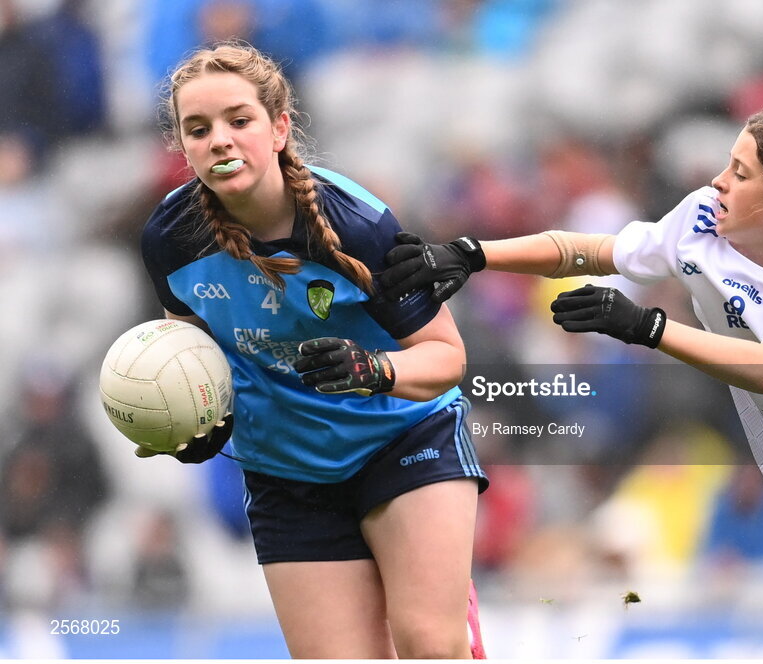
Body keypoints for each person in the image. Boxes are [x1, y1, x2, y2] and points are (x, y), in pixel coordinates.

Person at [380, 97, 763, 659]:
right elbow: (589, 251)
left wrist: (648, 327)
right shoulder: (700, 220)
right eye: (728, 163)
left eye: (740, 174)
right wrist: (472, 253)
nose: (720, 180)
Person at [138, 42, 488, 659]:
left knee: (430, 644)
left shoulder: (355, 224)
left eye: (238, 121)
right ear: (184, 146)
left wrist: (375, 370)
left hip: (404, 440)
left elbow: (446, 358)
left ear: (279, 129)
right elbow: (191, 356)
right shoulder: (170, 238)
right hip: (286, 472)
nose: (220, 140)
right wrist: (196, 421)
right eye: (199, 129)